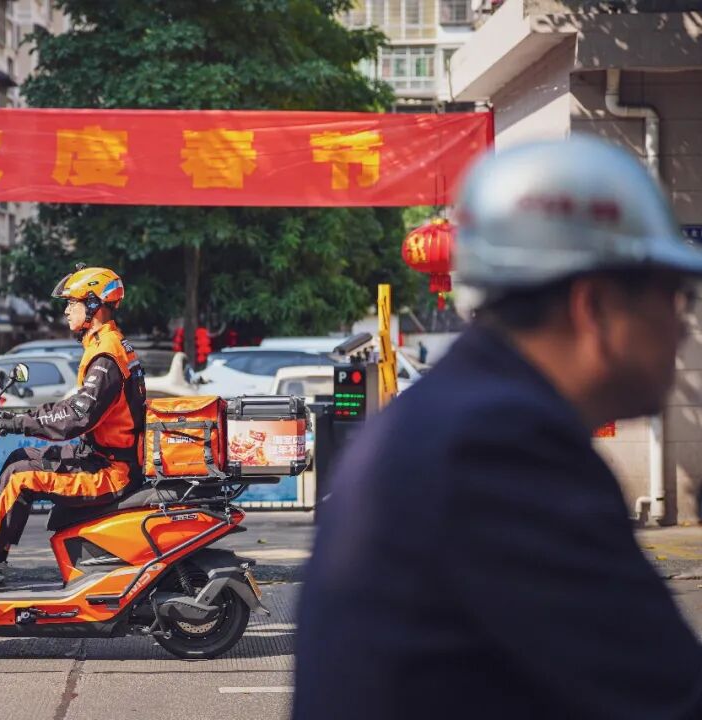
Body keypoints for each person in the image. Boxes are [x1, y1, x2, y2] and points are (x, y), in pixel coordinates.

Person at [294, 136, 702, 719]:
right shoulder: (502, 448)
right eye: (674, 297)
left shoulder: (456, 415)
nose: (683, 326)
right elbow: (667, 695)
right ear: (595, 306)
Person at [0, 265, 147, 593]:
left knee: (20, 476)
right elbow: (70, 410)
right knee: (20, 457)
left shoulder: (106, 356)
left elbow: (75, 418)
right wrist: (16, 417)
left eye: (72, 303)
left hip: (111, 470)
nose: (66, 310)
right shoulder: (105, 346)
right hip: (99, 454)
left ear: (93, 306)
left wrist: (16, 422)